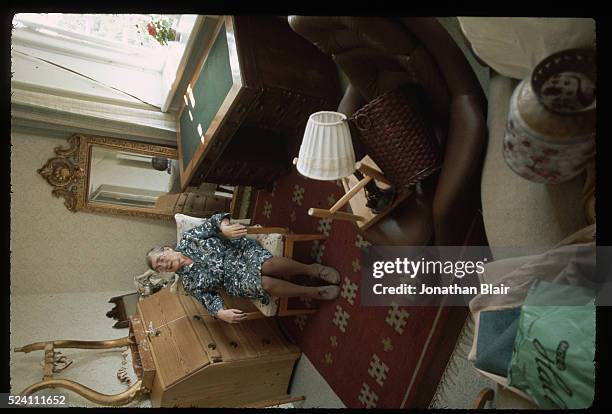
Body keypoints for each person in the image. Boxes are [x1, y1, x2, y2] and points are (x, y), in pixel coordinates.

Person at [146, 213, 341, 324]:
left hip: (238, 252)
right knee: (264, 283)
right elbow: (209, 300)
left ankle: (313, 270)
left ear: (168, 249)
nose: (164, 265)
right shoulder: (189, 283)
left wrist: (224, 227)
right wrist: (220, 313)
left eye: (161, 259)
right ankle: (313, 292)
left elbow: (214, 221)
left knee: (267, 265)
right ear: (164, 273)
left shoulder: (190, 239)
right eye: (160, 267)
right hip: (234, 281)